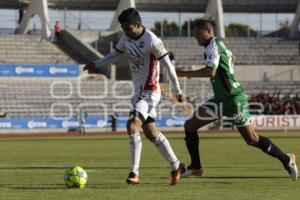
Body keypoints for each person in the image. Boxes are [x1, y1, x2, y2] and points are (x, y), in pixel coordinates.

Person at [176, 19, 298, 180]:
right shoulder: (216, 45)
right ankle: (196, 167)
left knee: (252, 139)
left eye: (199, 34)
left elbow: (210, 72)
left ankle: (286, 159)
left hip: (234, 100)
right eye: (194, 34)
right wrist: (228, 70)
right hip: (220, 99)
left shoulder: (213, 46)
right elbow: (233, 57)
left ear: (209, 32)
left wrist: (183, 73)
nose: (195, 37)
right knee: (190, 125)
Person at [83, 8, 186, 186]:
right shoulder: (126, 38)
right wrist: (96, 64)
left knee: (132, 125)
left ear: (138, 25)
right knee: (151, 133)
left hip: (150, 89)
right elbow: (114, 54)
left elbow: (168, 65)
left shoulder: (152, 40)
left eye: (129, 28)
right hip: (138, 91)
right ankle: (176, 166)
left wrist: (177, 90)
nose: (126, 32)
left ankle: (134, 172)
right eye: (123, 28)